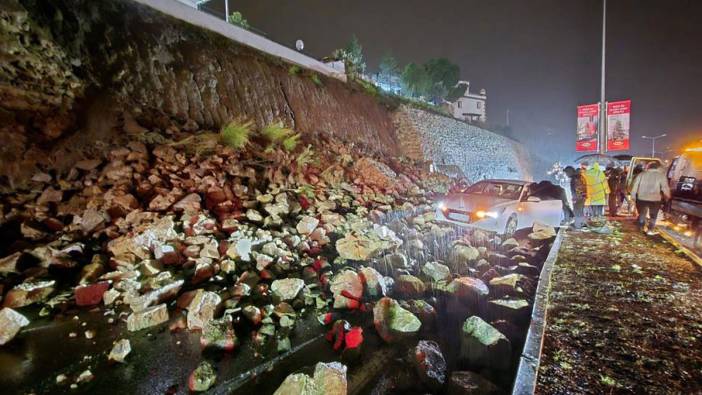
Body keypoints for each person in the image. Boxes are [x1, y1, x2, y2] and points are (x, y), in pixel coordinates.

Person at [630, 162, 671, 235]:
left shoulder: (641, 174)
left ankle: (640, 228)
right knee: (653, 216)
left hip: (642, 198)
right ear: (657, 168)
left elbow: (635, 186)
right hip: (655, 199)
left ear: (648, 167)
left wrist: (633, 196)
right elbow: (665, 187)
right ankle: (650, 230)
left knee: (642, 214)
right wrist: (667, 196)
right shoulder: (661, 176)